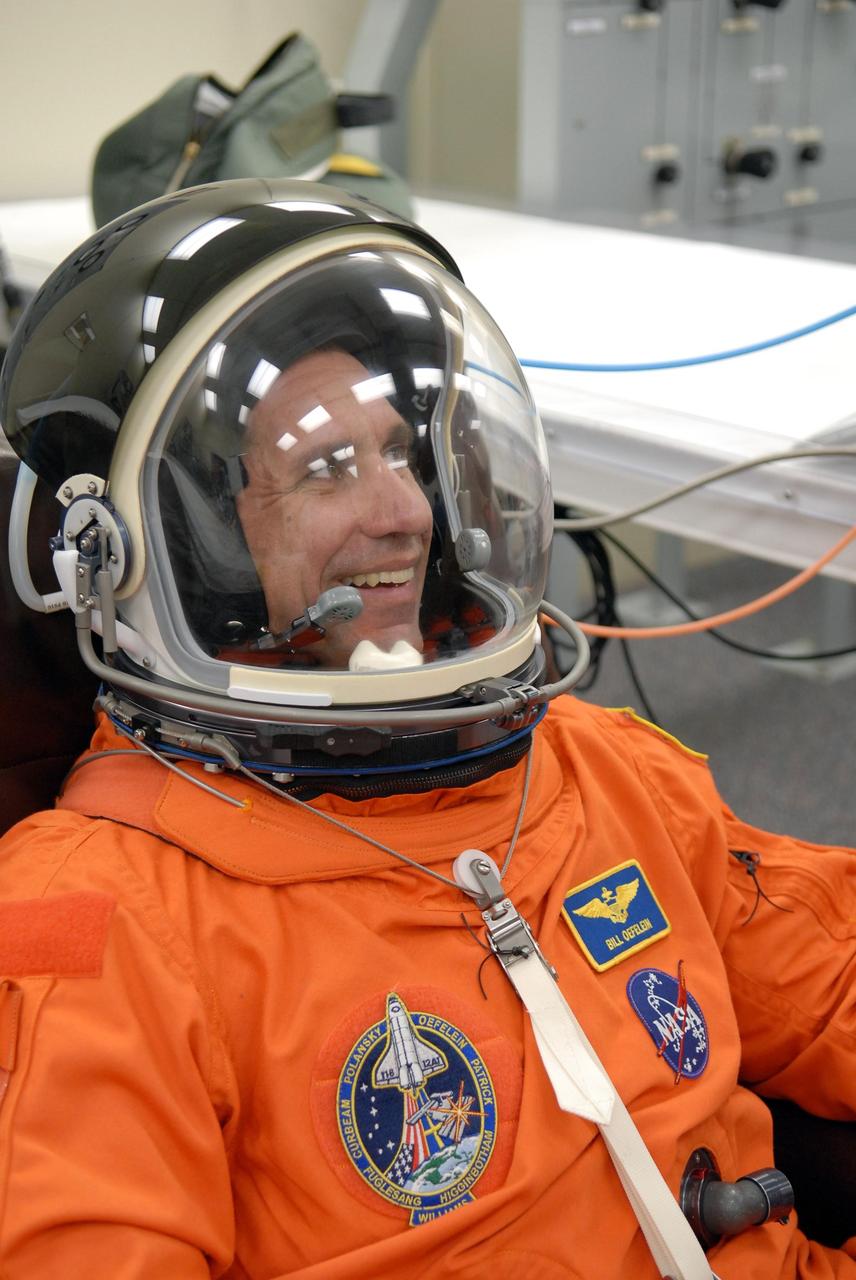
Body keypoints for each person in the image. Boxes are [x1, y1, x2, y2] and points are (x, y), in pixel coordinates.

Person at [0, 177, 854, 1280]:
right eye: (324, 469)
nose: (404, 509)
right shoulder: (102, 918)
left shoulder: (601, 770)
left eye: (401, 453)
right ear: (182, 539)